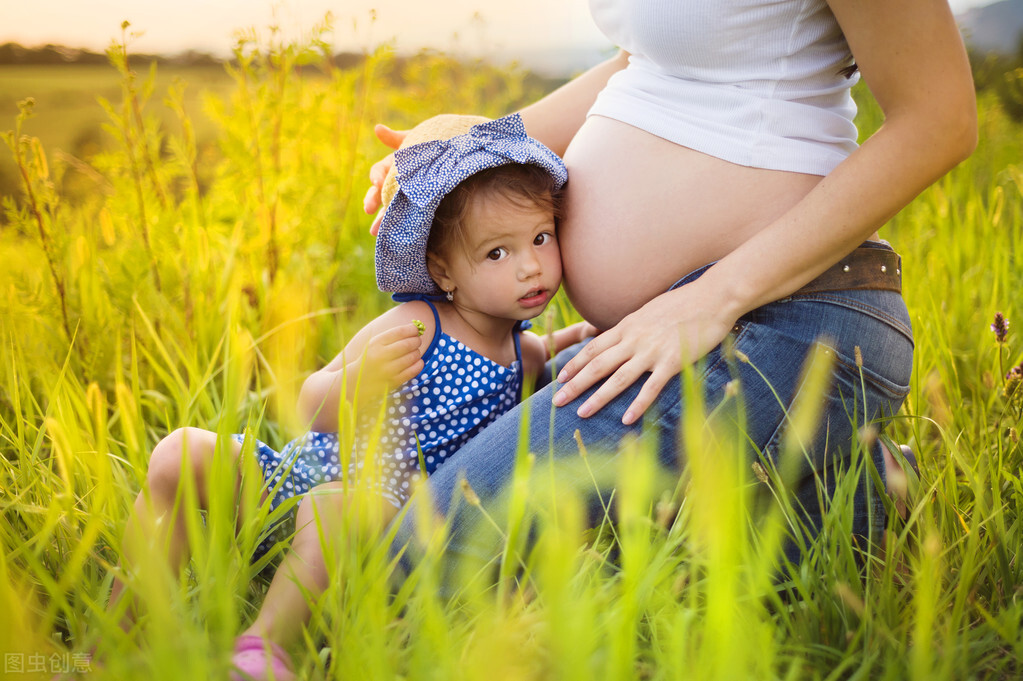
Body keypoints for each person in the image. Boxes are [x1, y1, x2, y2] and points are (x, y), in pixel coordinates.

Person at [363, 1, 975, 577]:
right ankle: (856, 490)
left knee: (415, 560)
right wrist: (469, 152)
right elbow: (646, 63)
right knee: (449, 444)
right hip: (677, 319)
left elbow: (939, 119)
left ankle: (832, 475)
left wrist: (712, 298)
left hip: (787, 315)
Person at [102, 113, 594, 681]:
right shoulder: (419, 325)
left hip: (379, 517)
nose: (531, 266)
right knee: (179, 452)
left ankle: (262, 647)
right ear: (443, 272)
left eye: (540, 238)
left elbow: (542, 351)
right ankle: (115, 637)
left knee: (334, 506)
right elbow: (309, 405)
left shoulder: (522, 354)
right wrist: (359, 381)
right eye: (497, 253)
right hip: (299, 482)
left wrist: (580, 334)